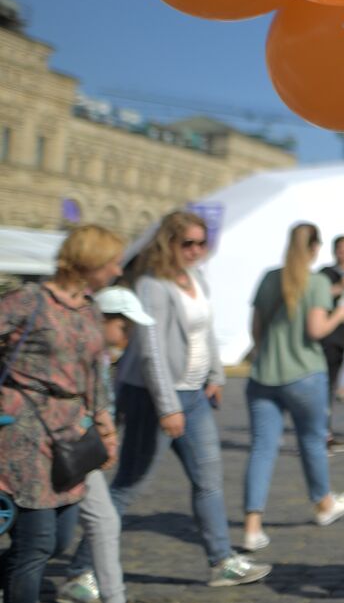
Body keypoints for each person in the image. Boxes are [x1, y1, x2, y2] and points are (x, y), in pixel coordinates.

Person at [77, 211, 270, 588]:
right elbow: (151, 351)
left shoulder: (196, 279)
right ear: (169, 244)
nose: (196, 250)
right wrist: (168, 407)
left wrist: (214, 375)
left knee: (209, 480)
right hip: (155, 396)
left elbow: (205, 332)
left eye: (202, 243)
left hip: (195, 394)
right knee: (129, 484)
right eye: (188, 244)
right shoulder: (153, 285)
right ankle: (81, 571)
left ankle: (221, 561)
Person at [1, 227, 119, 603]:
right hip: (27, 430)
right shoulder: (28, 300)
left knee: (60, 540)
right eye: (112, 262)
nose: (117, 270)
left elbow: (94, 372)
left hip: (71, 431)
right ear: (89, 262)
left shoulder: (89, 308)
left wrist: (105, 426)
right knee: (37, 542)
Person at [240, 222, 344, 553]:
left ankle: (252, 527)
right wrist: (342, 315)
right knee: (312, 441)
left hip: (264, 375)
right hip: (305, 374)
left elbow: (256, 329)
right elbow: (317, 329)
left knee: (262, 450)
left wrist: (269, 351)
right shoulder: (318, 281)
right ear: (315, 248)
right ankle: (323, 504)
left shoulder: (268, 277)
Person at [57, 235, 142, 603]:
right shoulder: (75, 329)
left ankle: (113, 596)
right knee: (46, 538)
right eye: (125, 327)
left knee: (95, 523)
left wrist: (105, 431)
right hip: (51, 439)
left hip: (77, 444)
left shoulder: (104, 353)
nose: (129, 336)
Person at [317, 234, 344, 453]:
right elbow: (319, 296)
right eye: (341, 250)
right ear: (335, 252)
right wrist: (341, 286)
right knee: (323, 388)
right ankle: (320, 435)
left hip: (343, 337)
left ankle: (326, 433)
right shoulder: (327, 274)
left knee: (330, 388)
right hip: (328, 336)